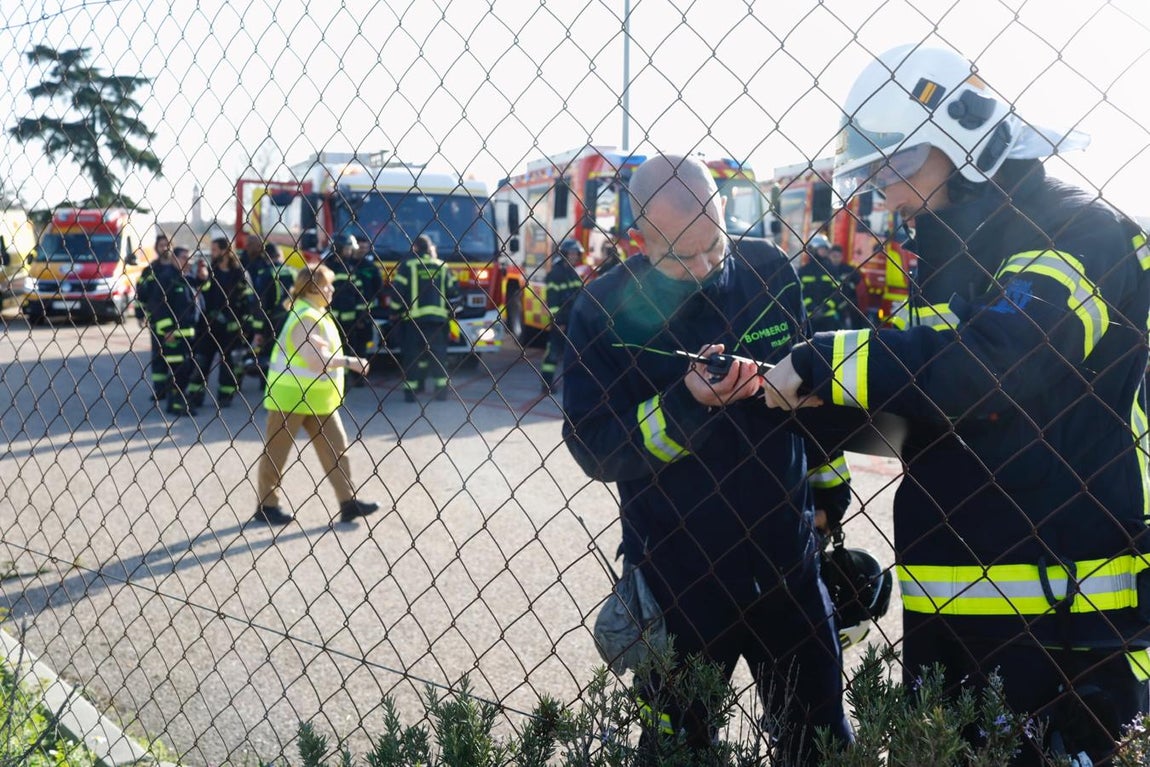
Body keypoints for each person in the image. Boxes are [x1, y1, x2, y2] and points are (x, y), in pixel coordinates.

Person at [762, 44, 1150, 766]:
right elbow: (933, 402)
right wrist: (788, 396)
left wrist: (824, 360)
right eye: (876, 175)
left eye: (897, 167)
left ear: (965, 140)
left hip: (1067, 631)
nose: (889, 194)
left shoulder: (1082, 235)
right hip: (957, 620)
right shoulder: (959, 255)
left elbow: (996, 364)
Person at [562, 154, 853, 765]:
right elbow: (594, 445)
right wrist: (684, 406)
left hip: (787, 561)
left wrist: (828, 501)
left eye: (714, 248)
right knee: (678, 750)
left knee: (820, 744)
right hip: (678, 579)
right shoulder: (603, 309)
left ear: (723, 214)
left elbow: (813, 402)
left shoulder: (768, 269)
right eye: (680, 257)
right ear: (638, 239)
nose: (703, 268)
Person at [253, 264, 380, 527]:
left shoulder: (315, 313)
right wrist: (350, 362)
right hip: (291, 397)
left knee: (337, 449)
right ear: (313, 288)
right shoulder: (305, 317)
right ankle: (266, 506)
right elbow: (314, 361)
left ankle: (348, 502)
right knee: (277, 453)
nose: (332, 289)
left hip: (317, 399)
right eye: (328, 285)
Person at [389, 234, 460, 402]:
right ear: (430, 248)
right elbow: (454, 293)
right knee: (438, 357)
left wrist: (394, 312)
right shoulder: (441, 266)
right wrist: (450, 312)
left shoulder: (408, 265)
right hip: (438, 322)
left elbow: (398, 292)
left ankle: (411, 393)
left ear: (415, 248)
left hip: (413, 322)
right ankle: (441, 392)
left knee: (412, 357)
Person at [193, 238, 257, 408]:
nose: (212, 253)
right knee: (202, 361)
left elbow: (250, 301)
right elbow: (201, 293)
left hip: (231, 330)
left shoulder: (240, 274)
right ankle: (195, 396)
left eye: (214, 249)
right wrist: (202, 279)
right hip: (209, 327)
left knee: (228, 364)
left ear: (225, 251)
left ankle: (225, 396)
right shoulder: (210, 272)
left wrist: (247, 326)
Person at [150, 247, 208, 416]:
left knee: (187, 369)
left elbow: (203, 292)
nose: (188, 261)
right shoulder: (166, 278)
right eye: (184, 257)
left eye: (189, 258)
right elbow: (158, 306)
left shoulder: (187, 278)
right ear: (174, 258)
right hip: (174, 335)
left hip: (190, 334)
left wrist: (203, 277)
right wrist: (167, 330)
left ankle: (176, 401)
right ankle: (176, 404)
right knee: (179, 370)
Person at [322, 233, 383, 388]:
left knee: (349, 349)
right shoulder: (327, 267)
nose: (351, 252)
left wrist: (362, 317)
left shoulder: (348, 267)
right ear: (342, 249)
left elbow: (359, 295)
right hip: (332, 320)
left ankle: (347, 381)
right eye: (349, 249)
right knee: (335, 349)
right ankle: (338, 380)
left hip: (349, 320)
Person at [247, 238, 296, 389]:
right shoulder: (293, 272)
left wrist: (258, 330)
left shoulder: (266, 274)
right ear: (279, 254)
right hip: (292, 318)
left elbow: (261, 304)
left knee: (270, 355)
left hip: (273, 321)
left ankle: (268, 386)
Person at [539, 238, 585, 394]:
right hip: (561, 322)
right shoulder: (556, 274)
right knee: (552, 354)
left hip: (572, 321)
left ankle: (573, 385)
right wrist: (558, 321)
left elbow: (580, 296)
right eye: (571, 253)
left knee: (573, 355)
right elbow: (552, 301)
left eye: (576, 254)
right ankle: (546, 384)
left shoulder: (573, 273)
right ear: (564, 254)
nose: (574, 256)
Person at [135, 233, 174, 401]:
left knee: (176, 356)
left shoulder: (179, 267)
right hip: (156, 319)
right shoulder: (150, 270)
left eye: (167, 245)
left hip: (177, 320)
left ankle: (175, 388)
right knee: (158, 356)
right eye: (161, 245)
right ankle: (160, 390)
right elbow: (141, 293)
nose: (165, 248)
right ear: (157, 248)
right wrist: (139, 314)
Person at [797, 234, 843, 332]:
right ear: (813, 250)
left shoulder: (831, 270)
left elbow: (837, 292)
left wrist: (824, 308)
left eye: (826, 249)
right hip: (809, 317)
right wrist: (812, 308)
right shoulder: (803, 271)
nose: (825, 251)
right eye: (822, 249)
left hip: (828, 317)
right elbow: (800, 292)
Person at [826, 244, 862, 329]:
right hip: (829, 303)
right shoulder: (825, 269)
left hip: (846, 303)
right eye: (834, 256)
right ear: (829, 256)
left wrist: (848, 279)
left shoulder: (847, 269)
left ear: (842, 257)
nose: (836, 259)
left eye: (838, 256)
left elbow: (857, 278)